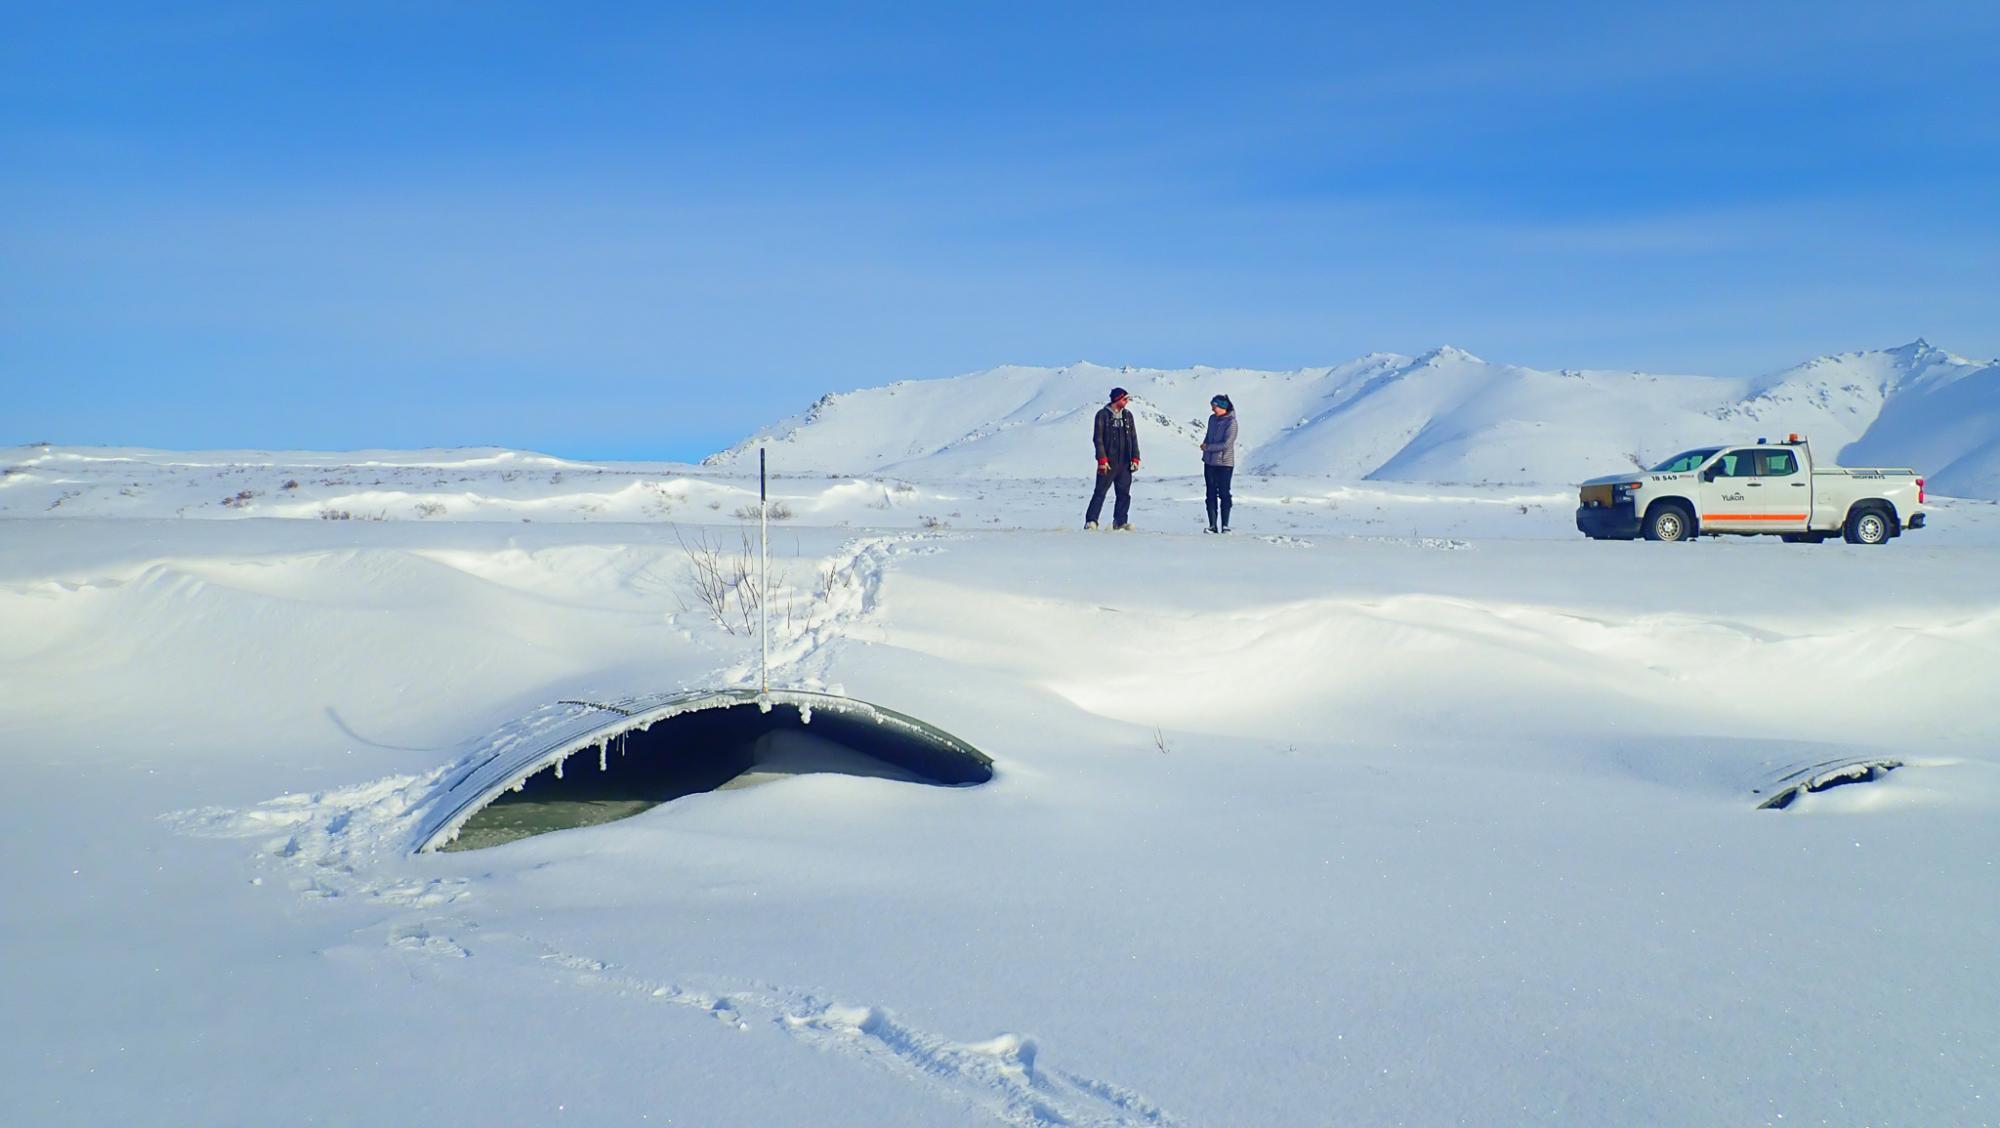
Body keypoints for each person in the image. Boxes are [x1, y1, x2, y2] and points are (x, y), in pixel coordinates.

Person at [1084, 386, 1141, 530]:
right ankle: (1091, 521)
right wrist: (1102, 460)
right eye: (1124, 398)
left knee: (1124, 494)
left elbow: (1133, 438)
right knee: (1100, 492)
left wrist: (1135, 457)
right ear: (1117, 399)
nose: (1127, 401)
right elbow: (1098, 439)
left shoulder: (1128, 416)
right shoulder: (1102, 415)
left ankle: (1120, 522)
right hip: (1108, 462)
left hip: (1125, 462)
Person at [1200, 394, 1237, 533]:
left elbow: (1227, 444)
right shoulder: (1212, 419)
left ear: (1222, 407)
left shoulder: (1231, 423)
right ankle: (1212, 525)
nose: (1213, 410)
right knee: (1210, 493)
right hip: (1209, 462)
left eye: (1214, 407)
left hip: (1224, 464)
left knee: (1224, 493)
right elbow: (1209, 435)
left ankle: (1225, 525)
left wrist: (1208, 448)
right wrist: (1205, 447)